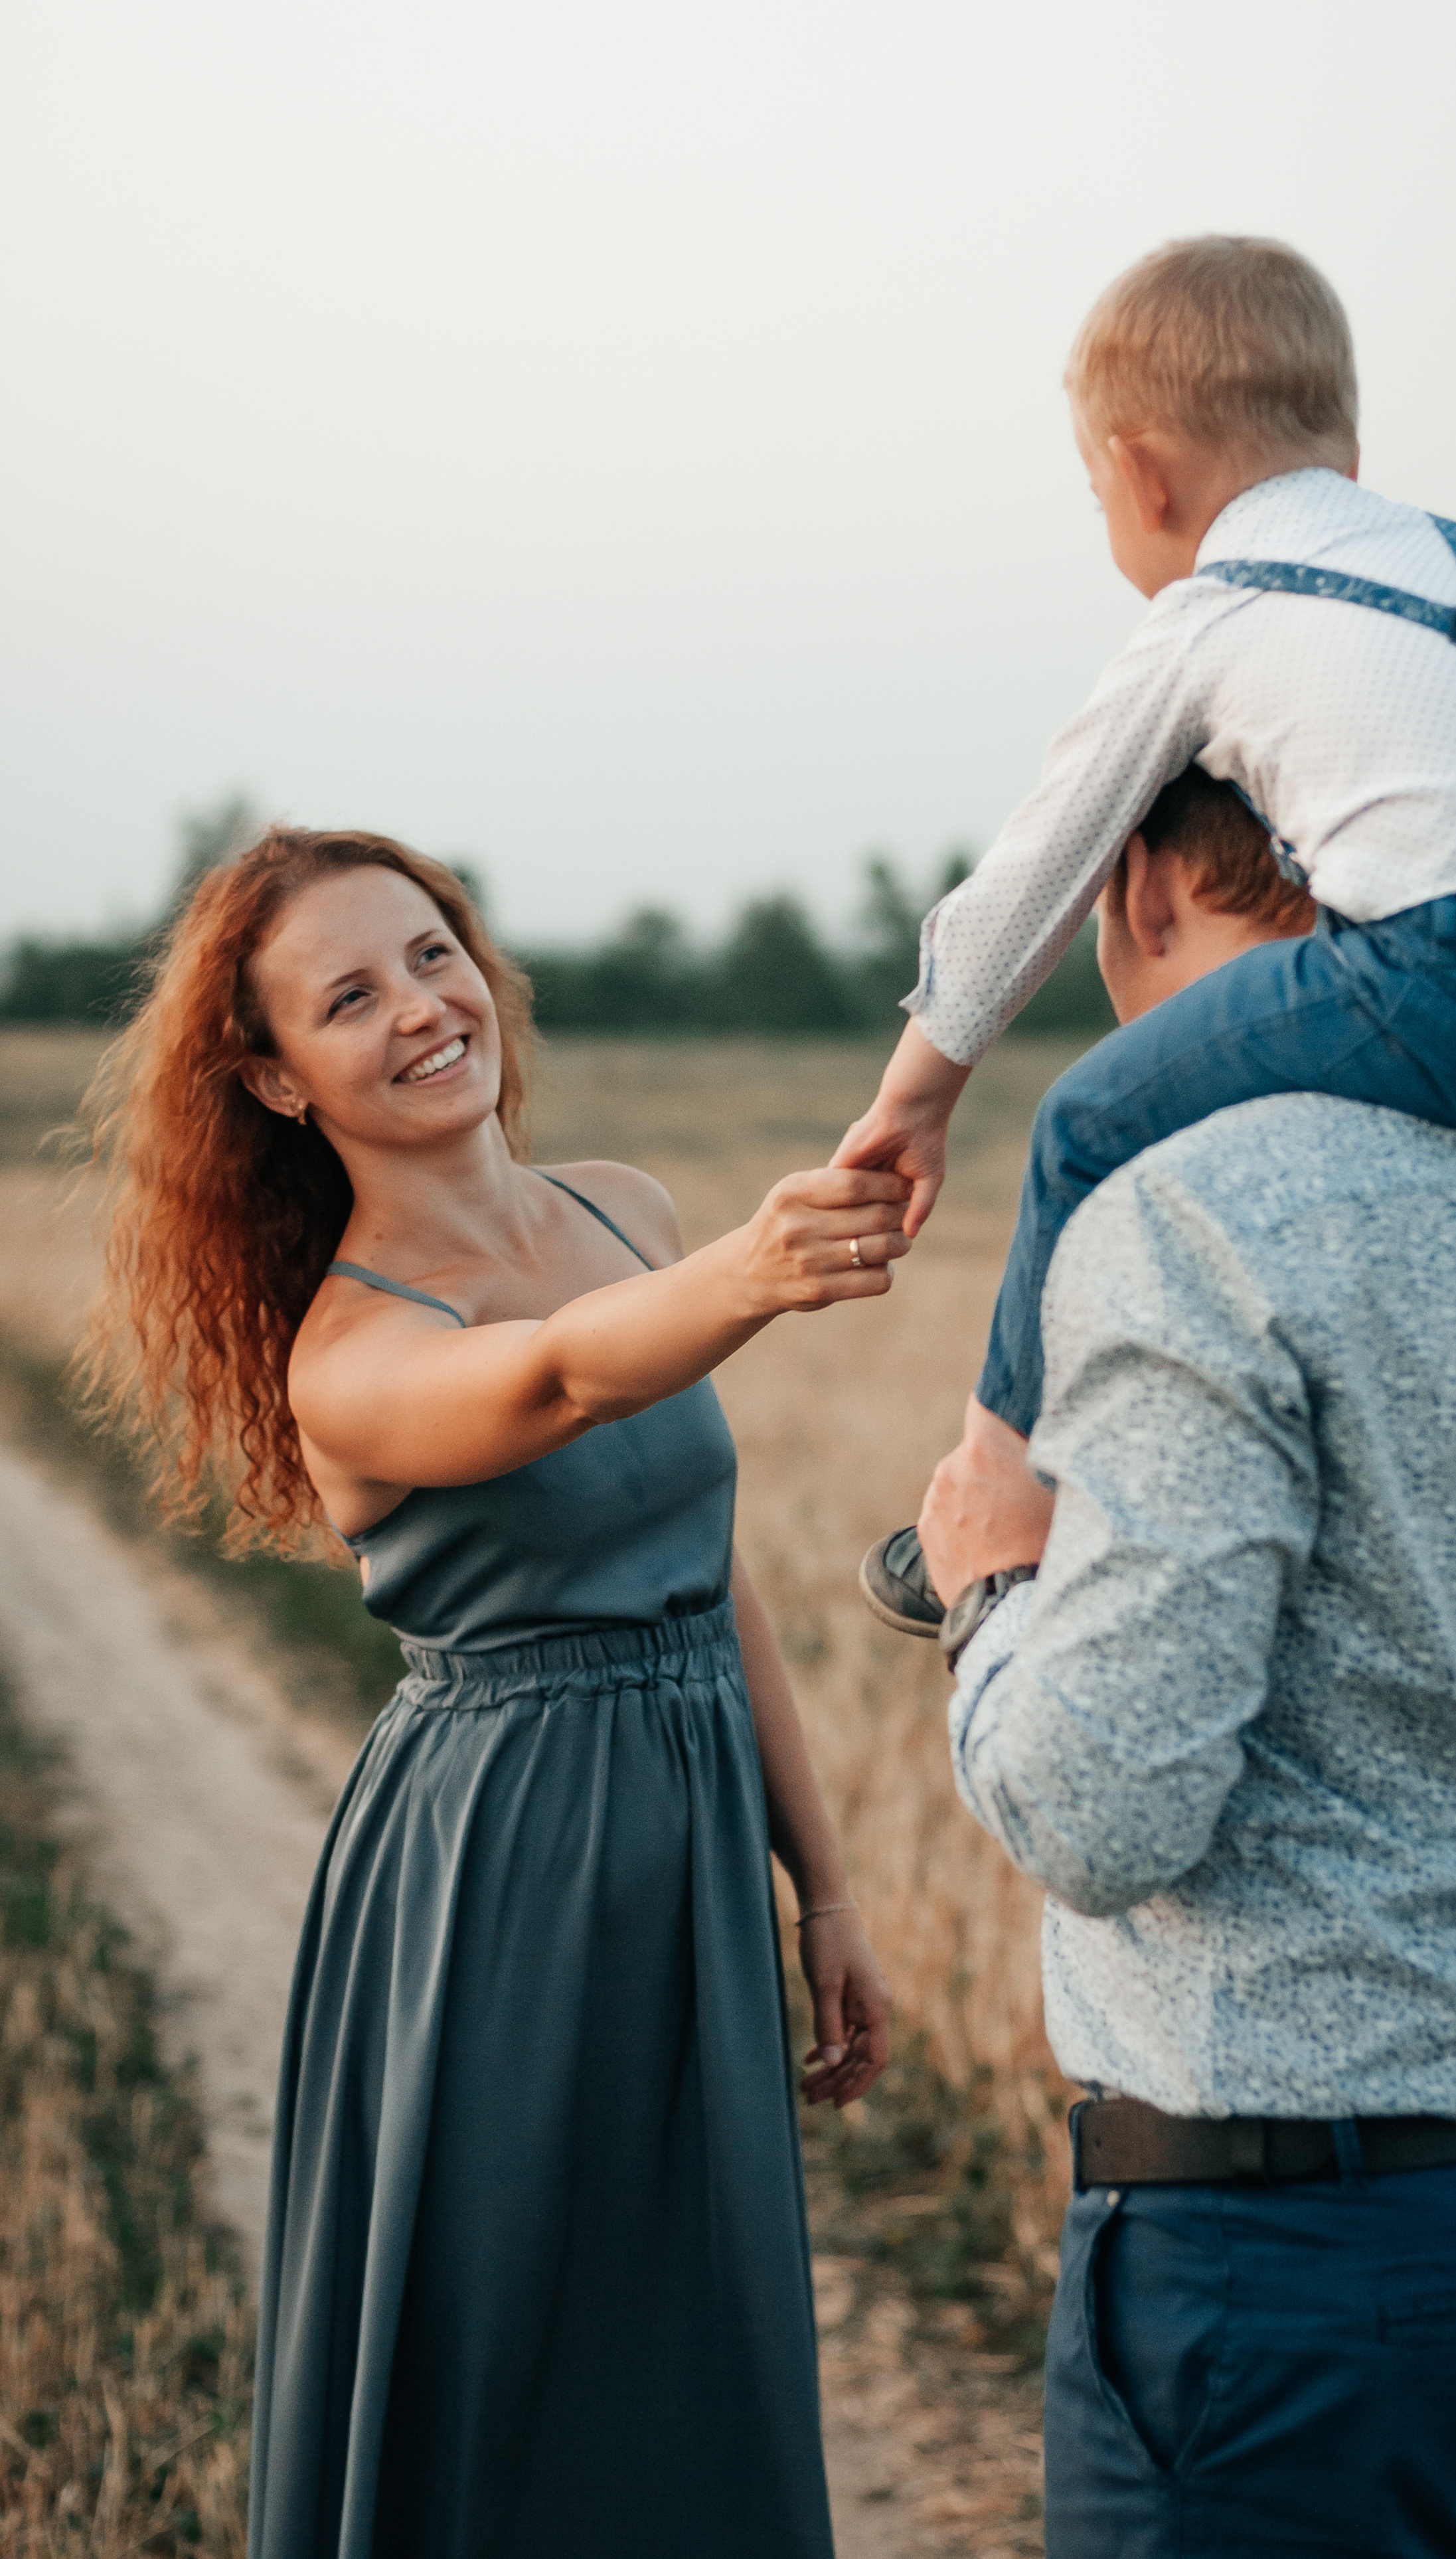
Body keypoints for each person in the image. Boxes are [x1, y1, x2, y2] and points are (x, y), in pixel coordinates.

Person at [80, 827, 906, 2559]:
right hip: (501, 1870)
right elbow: (553, 1373)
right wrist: (755, 1272)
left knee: (696, 2328)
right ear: (272, 1074)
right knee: (517, 2362)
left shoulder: (626, 1208)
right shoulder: (353, 1355)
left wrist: (821, 1881)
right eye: (349, 996)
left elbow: (711, 1561)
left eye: (432, 952)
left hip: (684, 1831)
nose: (421, 1008)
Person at [911, 770, 1456, 2558]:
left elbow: (1103, 1808)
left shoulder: (1185, 1212)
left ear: (1130, 894)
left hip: (1297, 2267)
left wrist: (986, 1594)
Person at [842, 232, 1456, 1637]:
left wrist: (913, 1098)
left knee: (1082, 1119)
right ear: (1341, 453)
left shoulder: (1218, 608)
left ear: (1138, 474)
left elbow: (1041, 863)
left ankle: (999, 1487)